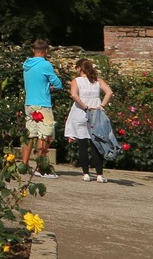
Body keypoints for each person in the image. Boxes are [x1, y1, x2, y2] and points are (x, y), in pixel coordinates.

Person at [64, 58, 114, 182]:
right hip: (96, 113)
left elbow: (74, 95)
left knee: (82, 145)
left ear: (79, 68)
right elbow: (109, 92)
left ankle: (85, 173)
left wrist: (84, 106)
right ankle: (99, 175)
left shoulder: (76, 81)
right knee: (96, 144)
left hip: (81, 113)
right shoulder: (97, 80)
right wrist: (102, 106)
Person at [21, 39, 64, 178]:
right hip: (43, 103)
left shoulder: (26, 65)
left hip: (29, 103)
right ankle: (40, 168)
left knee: (30, 135)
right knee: (45, 134)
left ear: (33, 50)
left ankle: (24, 164)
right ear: (45, 51)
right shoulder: (45, 65)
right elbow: (57, 84)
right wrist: (50, 87)